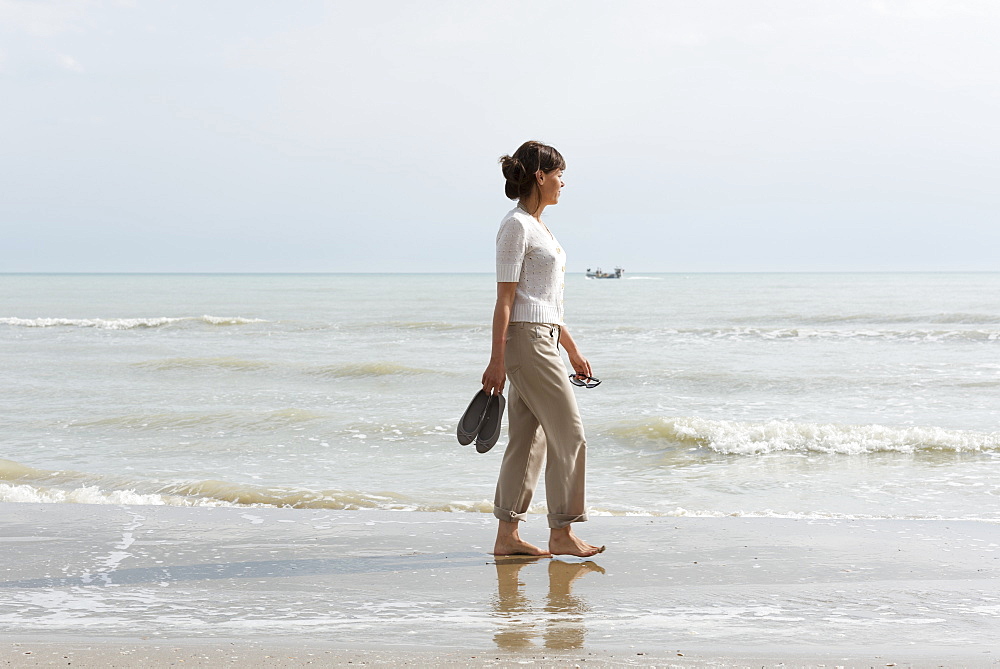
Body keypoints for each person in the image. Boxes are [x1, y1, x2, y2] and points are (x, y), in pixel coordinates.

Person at [481, 140, 603, 558]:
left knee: (528, 440)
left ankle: (506, 537)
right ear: (539, 176)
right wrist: (496, 360)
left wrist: (569, 346)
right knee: (569, 433)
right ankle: (562, 531)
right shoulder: (515, 226)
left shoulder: (539, 226)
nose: (562, 184)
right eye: (558, 175)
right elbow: (506, 299)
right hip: (527, 342)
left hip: (542, 337)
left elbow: (544, 300)